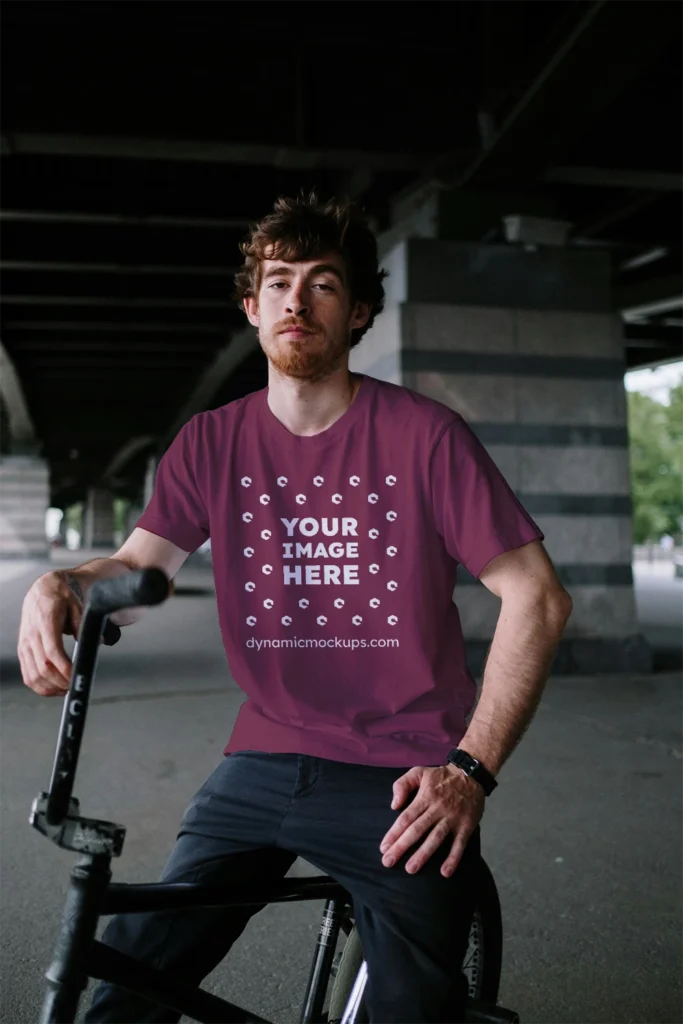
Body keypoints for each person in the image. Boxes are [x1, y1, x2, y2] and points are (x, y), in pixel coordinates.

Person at [18, 193, 573, 1024]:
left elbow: (537, 595)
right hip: (264, 757)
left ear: (356, 312)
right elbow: (141, 573)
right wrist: (58, 585)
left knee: (410, 1009)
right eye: (278, 282)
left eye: (321, 284)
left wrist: (469, 771)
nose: (295, 299)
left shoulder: (424, 436)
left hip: (405, 771)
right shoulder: (211, 442)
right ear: (251, 306)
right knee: (125, 977)